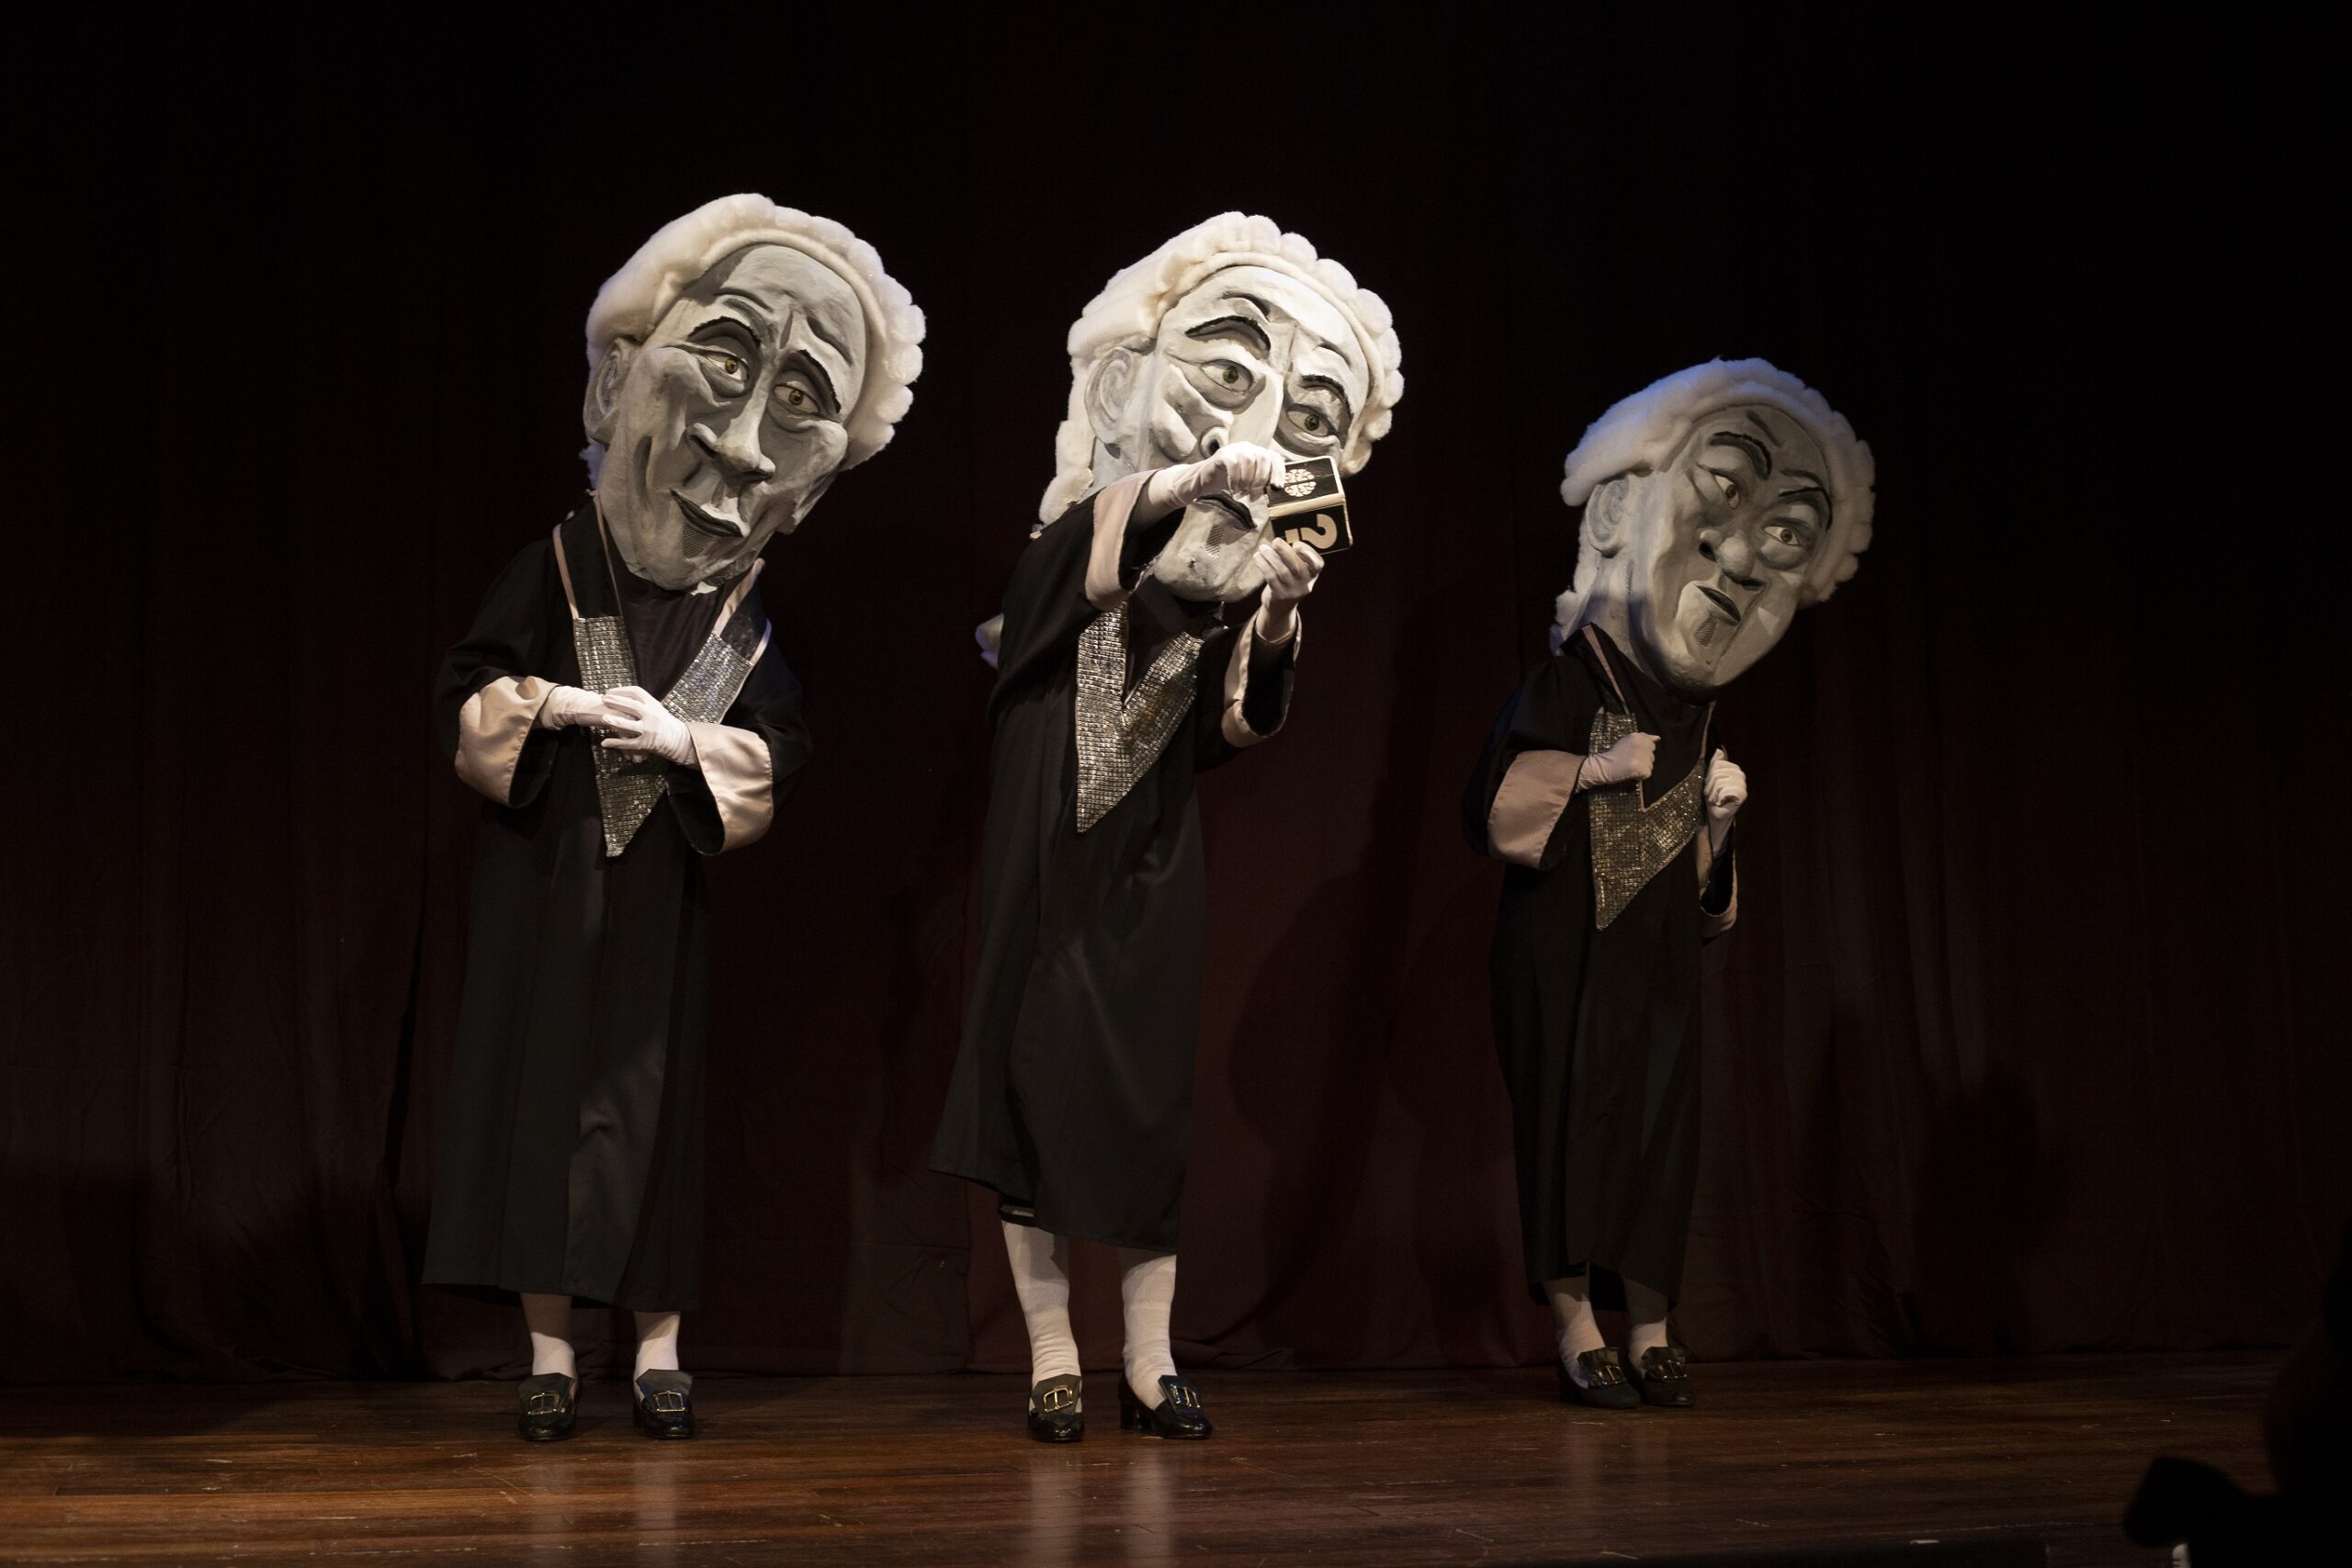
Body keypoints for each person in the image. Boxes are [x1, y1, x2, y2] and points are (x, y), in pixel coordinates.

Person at [425, 195, 922, 1442]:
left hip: (656, 901)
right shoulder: (552, 566)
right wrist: (552, 704)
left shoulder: (742, 622)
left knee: (654, 1120)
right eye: (727, 359)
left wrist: (685, 738)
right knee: (540, 1106)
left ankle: (656, 1348)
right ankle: (550, 1350)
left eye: (799, 402)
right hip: (546, 881)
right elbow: (465, 692)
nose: (744, 446)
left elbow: (780, 750)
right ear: (615, 383)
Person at [932, 213, 1404, 1442]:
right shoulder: (1055, 569)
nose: (1258, 436)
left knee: (1145, 1113)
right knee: (1030, 1104)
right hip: (1043, 879)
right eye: (1227, 380)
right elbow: (1090, 562)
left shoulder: (1200, 623)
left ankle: (1148, 1359)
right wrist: (1190, 484)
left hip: (1150, 878)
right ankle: (1051, 1355)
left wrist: (1279, 615)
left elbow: (1231, 729)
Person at [1464, 360, 1873, 1409]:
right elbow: (1494, 813)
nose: (1739, 560)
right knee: (1566, 1123)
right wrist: (1594, 769)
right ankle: (1575, 1322)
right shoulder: (1569, 681)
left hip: (1652, 965)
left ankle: (1650, 1322)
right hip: (1560, 952)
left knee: (1658, 1129)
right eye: (1723, 491)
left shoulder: (1696, 719)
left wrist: (1719, 828)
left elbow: (1703, 907)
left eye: (1785, 536)